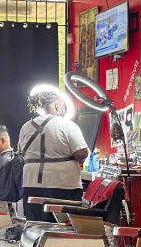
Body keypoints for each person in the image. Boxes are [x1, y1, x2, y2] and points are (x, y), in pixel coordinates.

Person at [17, 90, 89, 222]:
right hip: (62, 184)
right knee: (61, 227)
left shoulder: (26, 127)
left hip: (31, 183)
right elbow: (81, 154)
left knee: (34, 225)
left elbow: (22, 151)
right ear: (57, 105)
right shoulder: (67, 125)